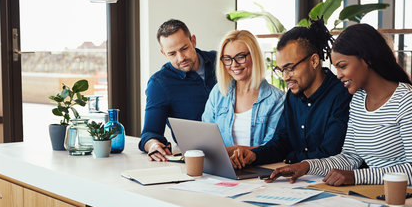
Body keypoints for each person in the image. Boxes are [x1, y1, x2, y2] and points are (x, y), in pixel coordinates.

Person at [266, 23, 412, 192]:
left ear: (366, 60)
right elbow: (350, 157)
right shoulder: (358, 100)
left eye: (342, 66)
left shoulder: (409, 100)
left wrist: (356, 177)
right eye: (336, 67)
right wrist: (306, 166)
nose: (338, 75)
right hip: (393, 196)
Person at [230, 19, 352, 168]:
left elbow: (330, 154)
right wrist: (255, 155)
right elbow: (281, 142)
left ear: (314, 61)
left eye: (290, 68)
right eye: (281, 70)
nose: (286, 77)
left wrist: (290, 157)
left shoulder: (342, 96)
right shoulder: (292, 96)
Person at [139, 19, 217, 161]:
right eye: (172, 54)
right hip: (195, 157)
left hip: (240, 150)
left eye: (184, 48)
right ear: (163, 53)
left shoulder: (222, 61)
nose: (181, 58)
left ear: (193, 40)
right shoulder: (159, 83)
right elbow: (150, 133)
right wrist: (153, 145)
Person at [202, 30, 285, 154]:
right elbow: (206, 136)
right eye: (227, 59)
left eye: (240, 57)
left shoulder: (277, 99)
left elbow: (272, 147)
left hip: (258, 169)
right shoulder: (218, 92)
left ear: (254, 56)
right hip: (221, 168)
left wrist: (233, 151)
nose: (234, 64)